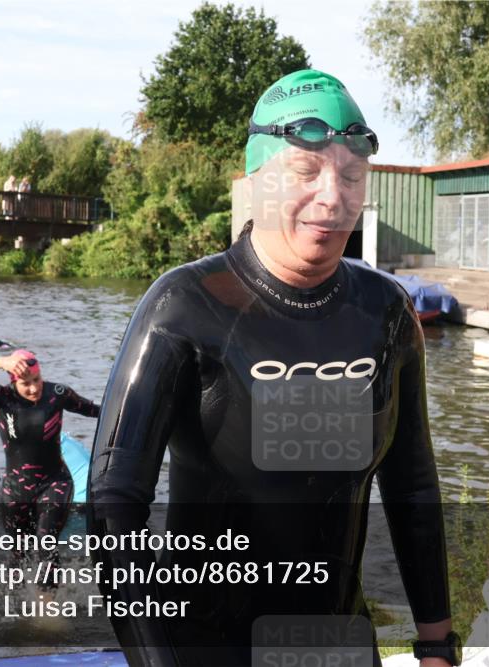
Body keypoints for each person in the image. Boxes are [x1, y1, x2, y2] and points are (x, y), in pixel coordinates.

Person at [88, 69, 456, 667]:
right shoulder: (185, 304)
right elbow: (113, 499)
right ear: (255, 182)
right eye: (306, 173)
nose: (333, 197)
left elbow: (412, 484)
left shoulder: (383, 311)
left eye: (352, 176)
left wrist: (437, 644)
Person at [0, 350, 99, 591]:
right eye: (25, 383)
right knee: (18, 553)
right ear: (12, 381)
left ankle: (46, 608)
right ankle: (15, 603)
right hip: (16, 488)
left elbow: (95, 411)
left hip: (55, 481)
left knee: (45, 543)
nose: (33, 388)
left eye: (36, 380)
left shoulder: (57, 394)